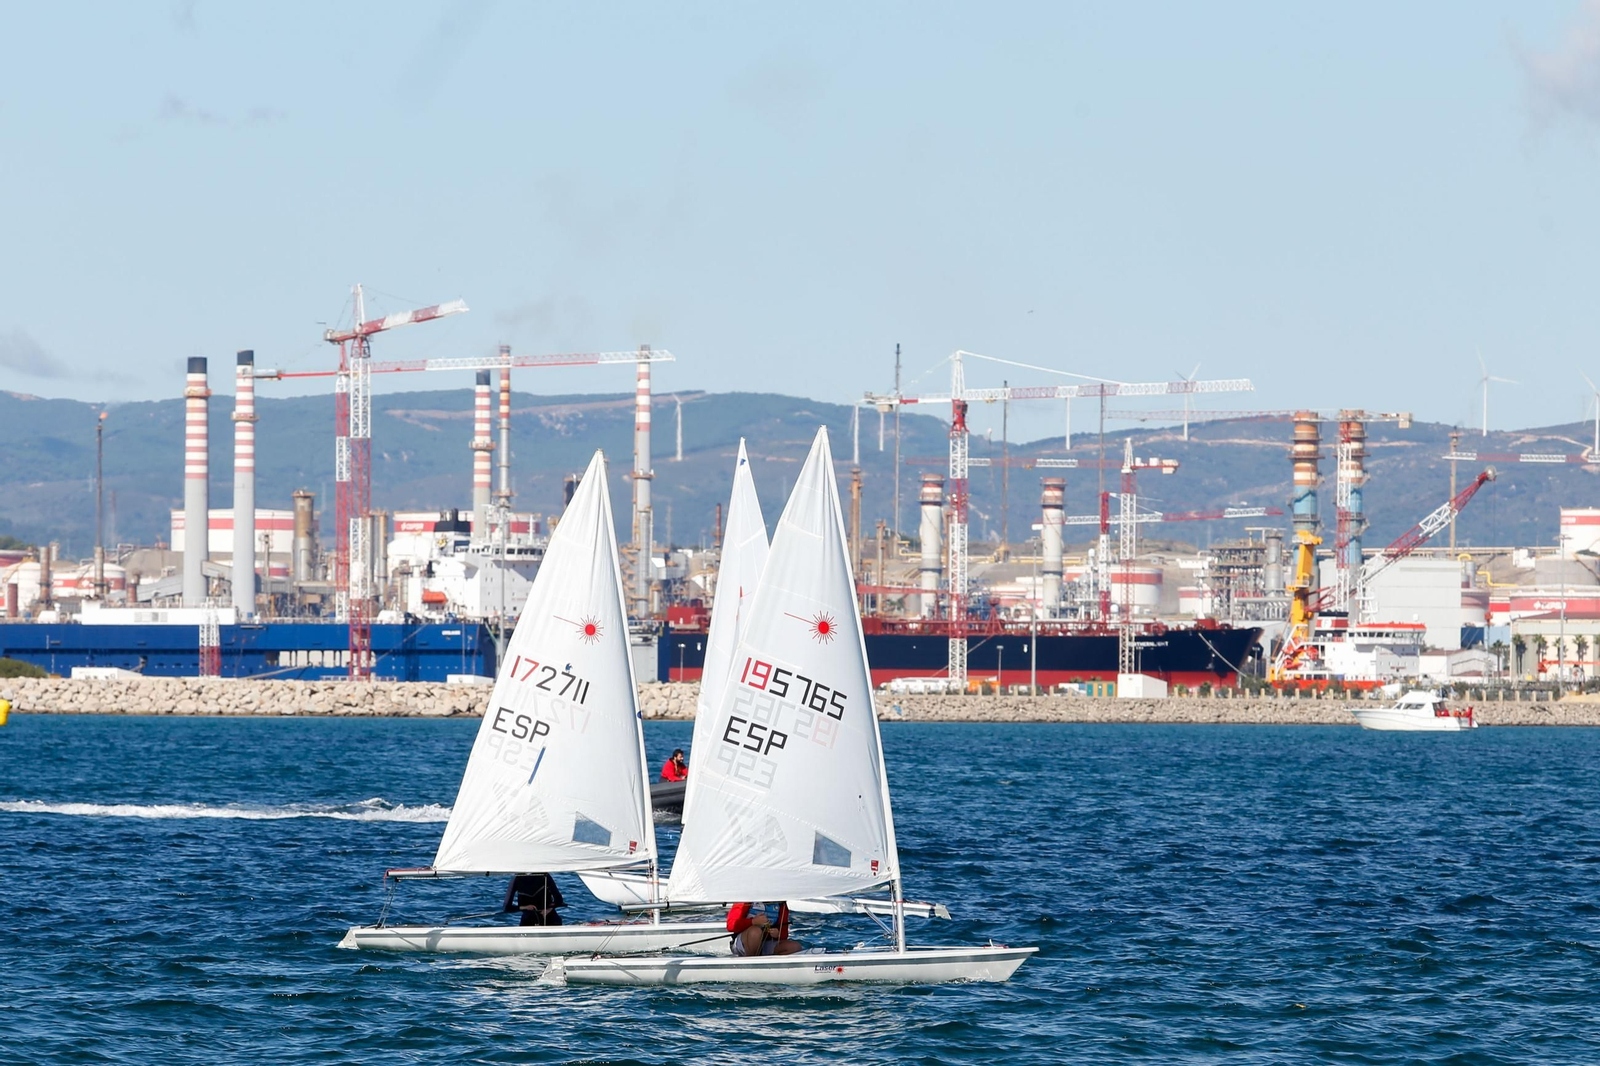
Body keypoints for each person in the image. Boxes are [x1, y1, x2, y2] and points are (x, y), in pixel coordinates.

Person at [727, 901, 802, 956]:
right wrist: (753, 922)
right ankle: (752, 962)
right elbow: (731, 925)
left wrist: (777, 934)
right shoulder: (745, 900)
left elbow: (783, 935)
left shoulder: (780, 904)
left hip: (765, 943)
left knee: (795, 947)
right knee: (755, 932)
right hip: (743, 943)